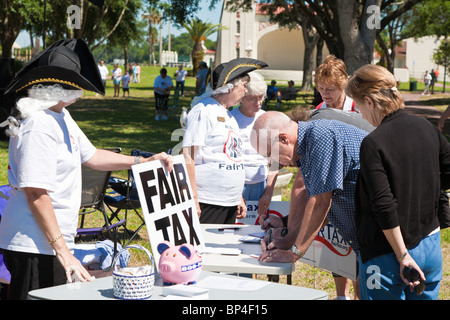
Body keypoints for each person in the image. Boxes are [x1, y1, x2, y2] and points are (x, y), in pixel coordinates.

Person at [0, 39, 173, 300]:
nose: (79, 90)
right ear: (57, 87)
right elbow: (36, 193)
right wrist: (64, 252)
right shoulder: (39, 123)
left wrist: (141, 162)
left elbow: (91, 156)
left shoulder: (60, 115)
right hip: (34, 244)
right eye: (74, 83)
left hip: (50, 242)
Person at [346, 64, 450, 300]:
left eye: (358, 105)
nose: (359, 113)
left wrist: (403, 256)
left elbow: (382, 204)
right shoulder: (427, 127)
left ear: (370, 102)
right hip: (430, 244)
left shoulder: (374, 142)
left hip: (390, 252)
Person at [250, 110, 368, 300]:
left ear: (284, 139)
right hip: (367, 239)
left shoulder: (321, 137)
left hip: (382, 238)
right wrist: (289, 238)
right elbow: (322, 206)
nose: (272, 162)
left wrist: (293, 254)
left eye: (270, 154)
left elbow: (321, 202)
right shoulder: (307, 147)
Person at [183, 58, 268, 224]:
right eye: (243, 86)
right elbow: (188, 156)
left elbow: (232, 156)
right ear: (230, 86)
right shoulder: (204, 110)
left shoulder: (228, 115)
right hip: (208, 199)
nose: (245, 91)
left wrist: (238, 197)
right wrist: (193, 196)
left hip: (229, 201)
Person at [231, 72, 278, 214]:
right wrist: (237, 195)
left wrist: (269, 192)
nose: (258, 103)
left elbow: (275, 160)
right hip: (236, 186)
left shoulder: (268, 119)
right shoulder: (230, 119)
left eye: (261, 97)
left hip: (261, 184)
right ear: (242, 97)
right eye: (252, 99)